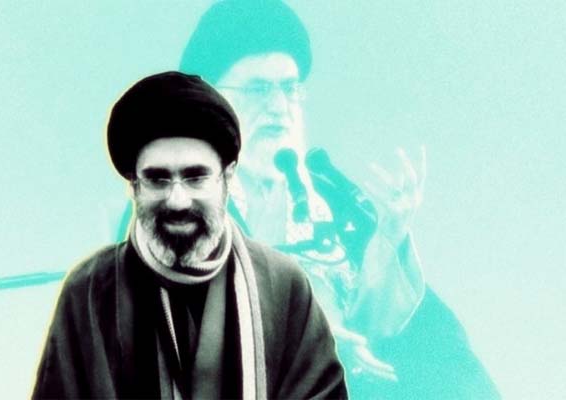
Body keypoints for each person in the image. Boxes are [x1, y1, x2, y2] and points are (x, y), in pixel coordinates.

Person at [179, 1, 500, 399]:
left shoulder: (330, 193)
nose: (279, 107)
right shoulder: (180, 202)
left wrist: (389, 236)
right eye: (259, 90)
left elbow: (384, 324)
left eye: (289, 89)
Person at [32, 71, 348, 399]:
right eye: (158, 179)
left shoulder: (282, 284)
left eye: (195, 177)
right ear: (134, 185)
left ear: (227, 178)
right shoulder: (89, 290)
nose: (177, 200)